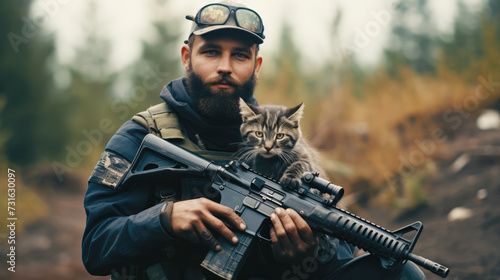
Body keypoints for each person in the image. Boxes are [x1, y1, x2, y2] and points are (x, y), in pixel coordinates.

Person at [82, 1, 426, 279]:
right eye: (211, 52)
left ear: (256, 66)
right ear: (187, 57)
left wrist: (301, 253)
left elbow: (339, 246)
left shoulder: (286, 142)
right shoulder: (142, 136)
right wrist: (165, 217)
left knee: (400, 273)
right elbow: (96, 247)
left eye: (240, 55)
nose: (225, 67)